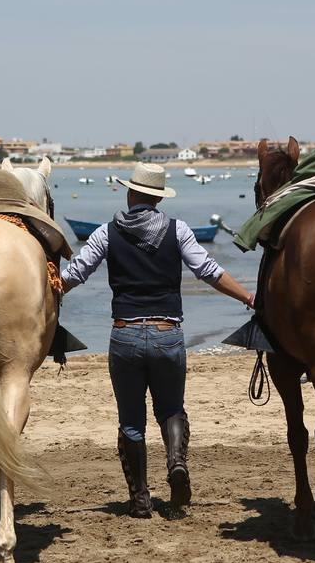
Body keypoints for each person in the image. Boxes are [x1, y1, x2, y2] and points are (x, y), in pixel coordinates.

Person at [61, 163, 254, 519]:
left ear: (130, 193)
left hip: (125, 334)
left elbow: (76, 273)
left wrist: (43, 293)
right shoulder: (178, 230)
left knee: (131, 421)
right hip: (168, 333)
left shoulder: (106, 233)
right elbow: (209, 271)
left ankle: (140, 501)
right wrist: (249, 298)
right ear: (158, 197)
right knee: (170, 409)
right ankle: (176, 464)